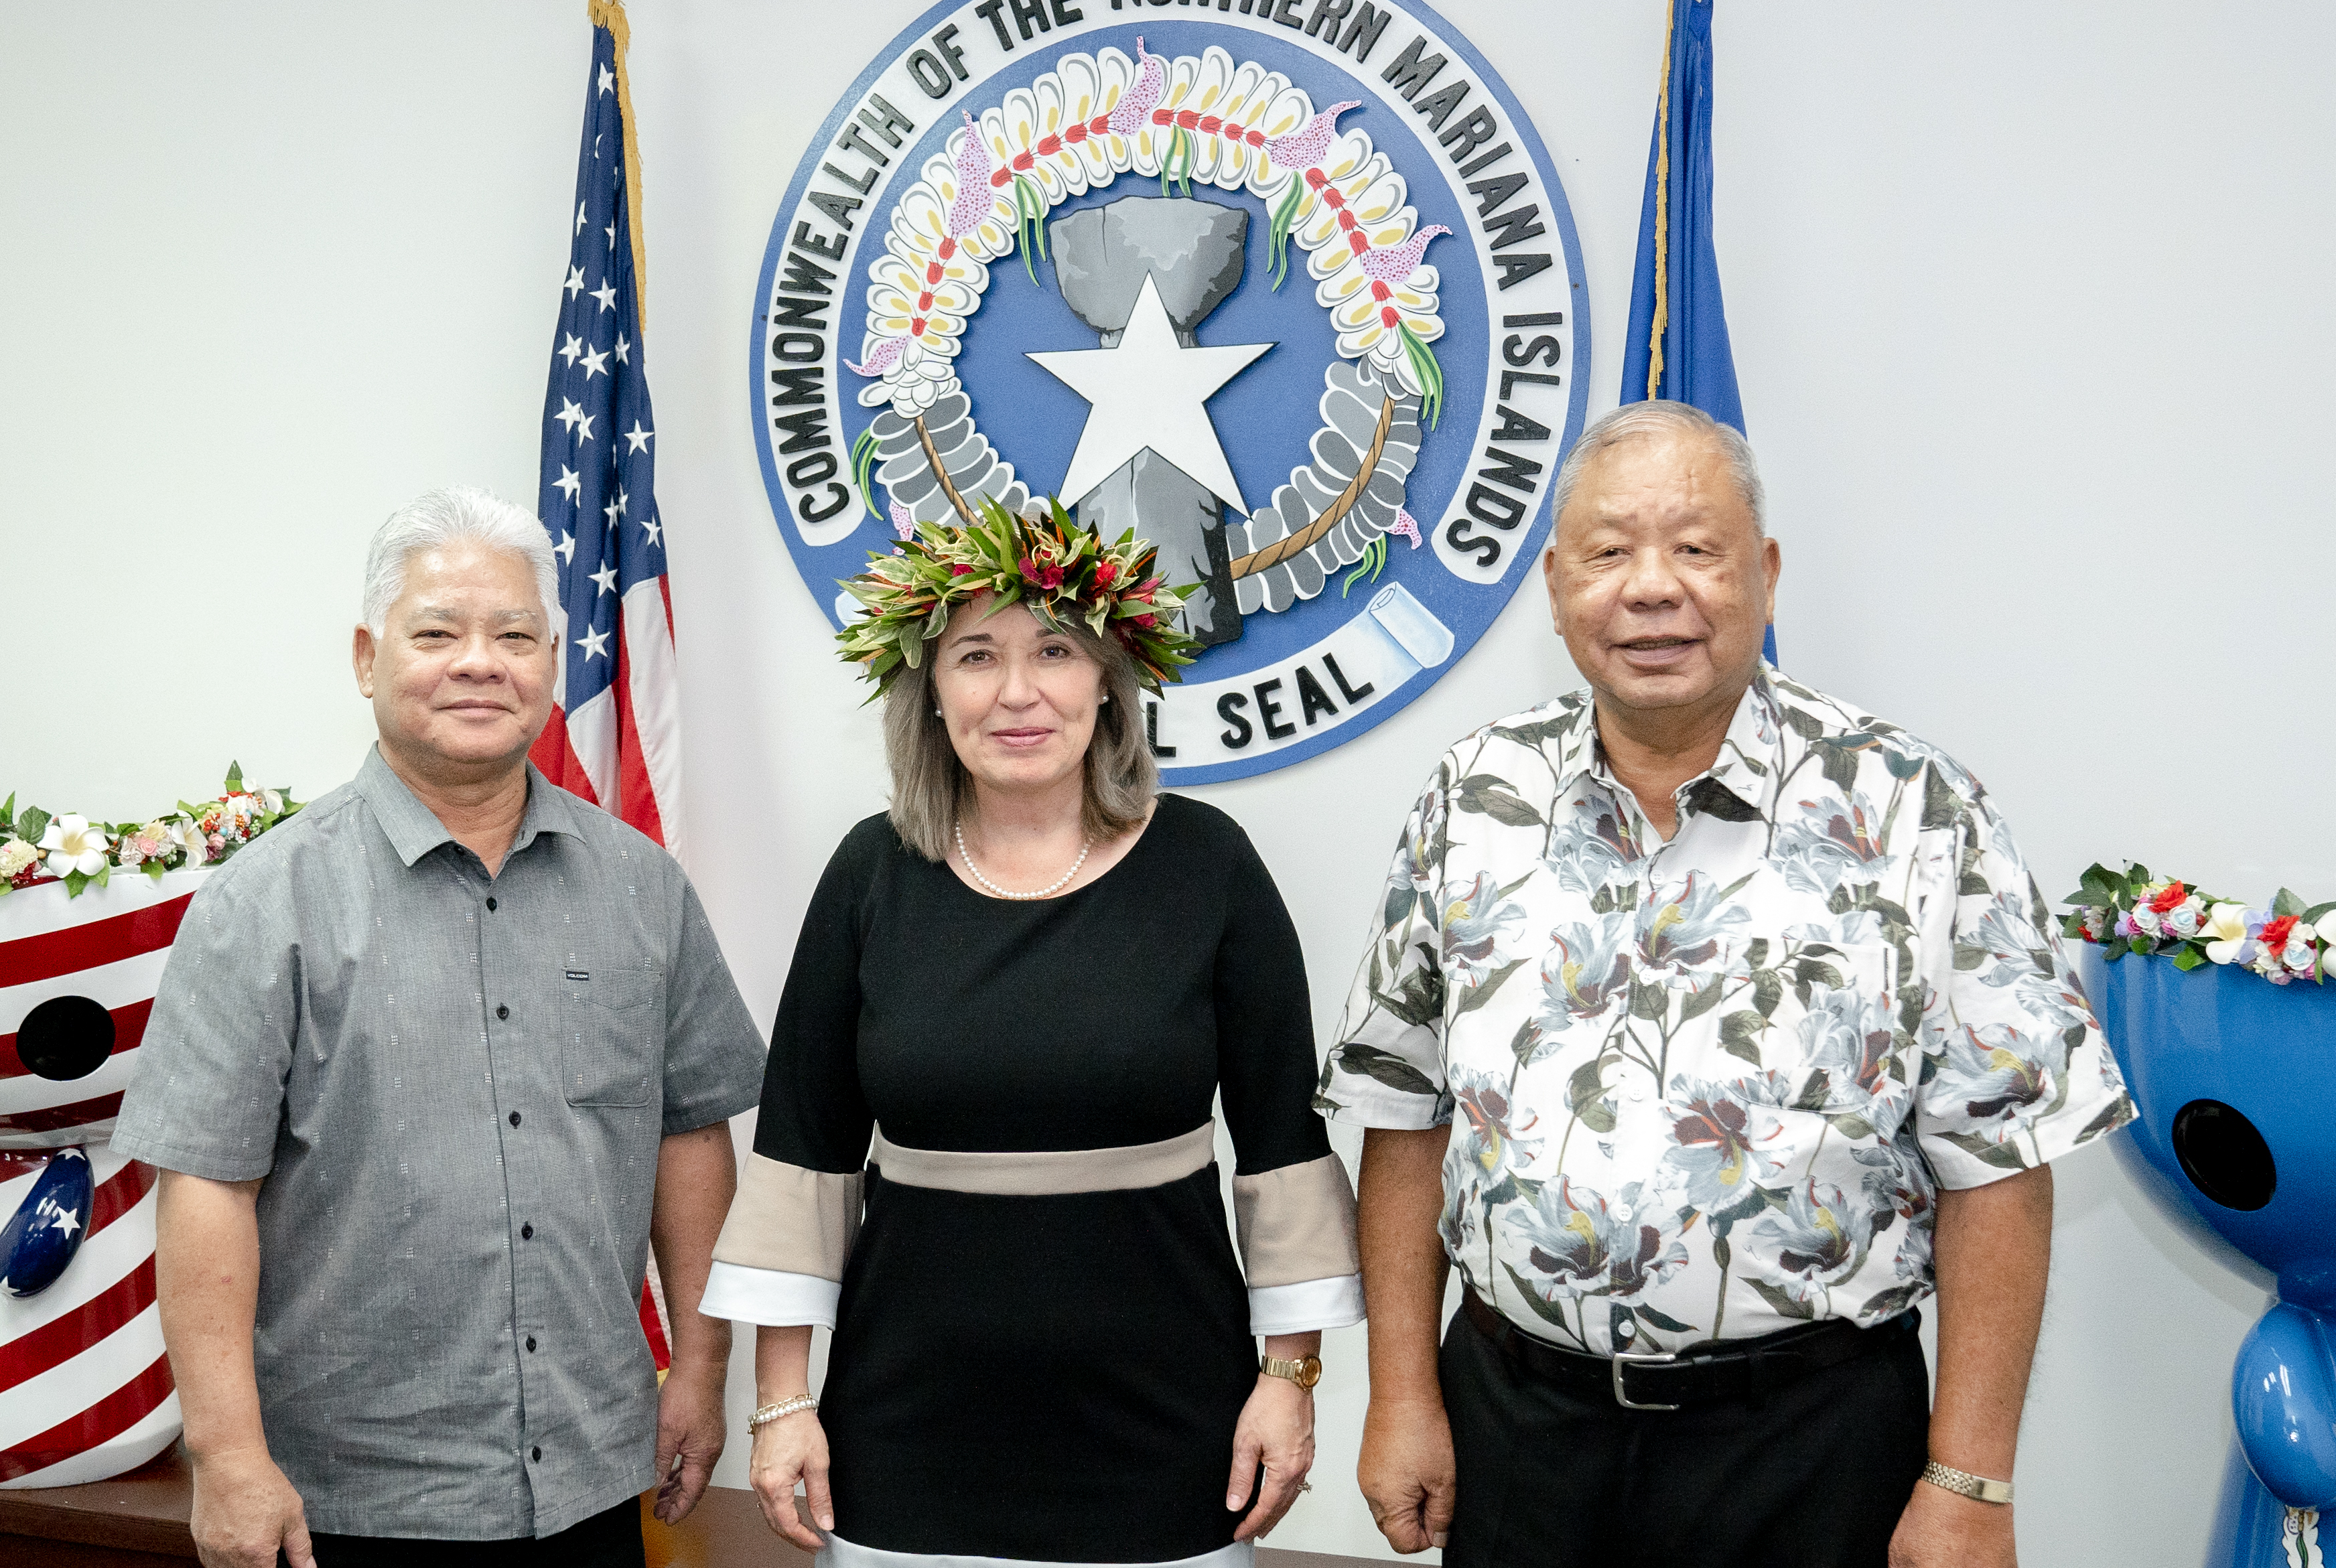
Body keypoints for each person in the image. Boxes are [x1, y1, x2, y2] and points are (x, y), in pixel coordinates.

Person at [1322, 403, 2134, 1568]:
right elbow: (1405, 1115)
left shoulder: (1912, 807)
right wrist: (1400, 1395)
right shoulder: (1473, 799)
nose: (1652, 588)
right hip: (1518, 1433)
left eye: (1696, 548)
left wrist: (1971, 1484)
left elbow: (2001, 1157)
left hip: (1808, 1447)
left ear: (1764, 574)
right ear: (1556, 588)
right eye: (1609, 553)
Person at [113, 487, 768, 1568]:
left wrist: (701, 1368)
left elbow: (689, 1135)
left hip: (594, 1472)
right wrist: (229, 1457)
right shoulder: (264, 901)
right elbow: (204, 1187)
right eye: (438, 633)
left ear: (553, 662)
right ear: (368, 657)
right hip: (351, 1500)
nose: (480, 661)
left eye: (514, 635)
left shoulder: (643, 888)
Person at [699, 504, 1365, 1567]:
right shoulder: (872, 875)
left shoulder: (1208, 865)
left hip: (1171, 1430)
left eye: (1055, 650)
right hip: (904, 1429)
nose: (1018, 692)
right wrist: (782, 1403)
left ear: (1109, 681)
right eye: (976, 656)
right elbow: (803, 1154)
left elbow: (1283, 1147)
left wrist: (1289, 1382)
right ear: (929, 692)